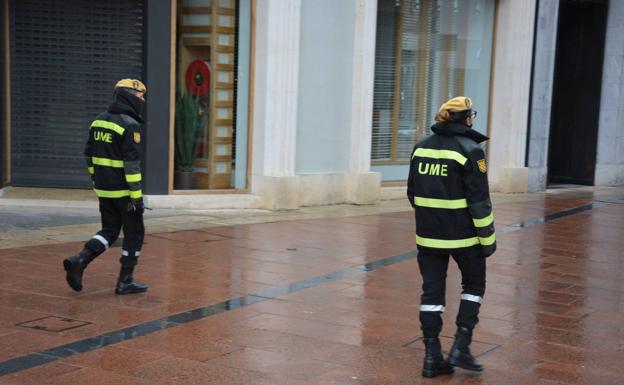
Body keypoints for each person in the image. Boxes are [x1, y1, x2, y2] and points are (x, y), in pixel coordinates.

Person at [407, 96, 496, 378]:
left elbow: (412, 194)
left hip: (428, 237)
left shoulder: (420, 148)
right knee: (473, 285)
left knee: (431, 293)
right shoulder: (471, 150)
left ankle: (432, 357)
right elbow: (479, 201)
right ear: (467, 118)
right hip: (464, 238)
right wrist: (488, 239)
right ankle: (461, 346)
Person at [63, 79, 149, 295]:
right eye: (140, 97)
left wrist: (96, 182)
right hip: (124, 192)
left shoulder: (98, 121)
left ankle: (79, 260)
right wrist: (137, 198)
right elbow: (131, 165)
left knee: (109, 231)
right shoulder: (129, 124)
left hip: (104, 190)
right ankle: (125, 281)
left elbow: (88, 156)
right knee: (134, 233)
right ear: (129, 96)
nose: (143, 100)